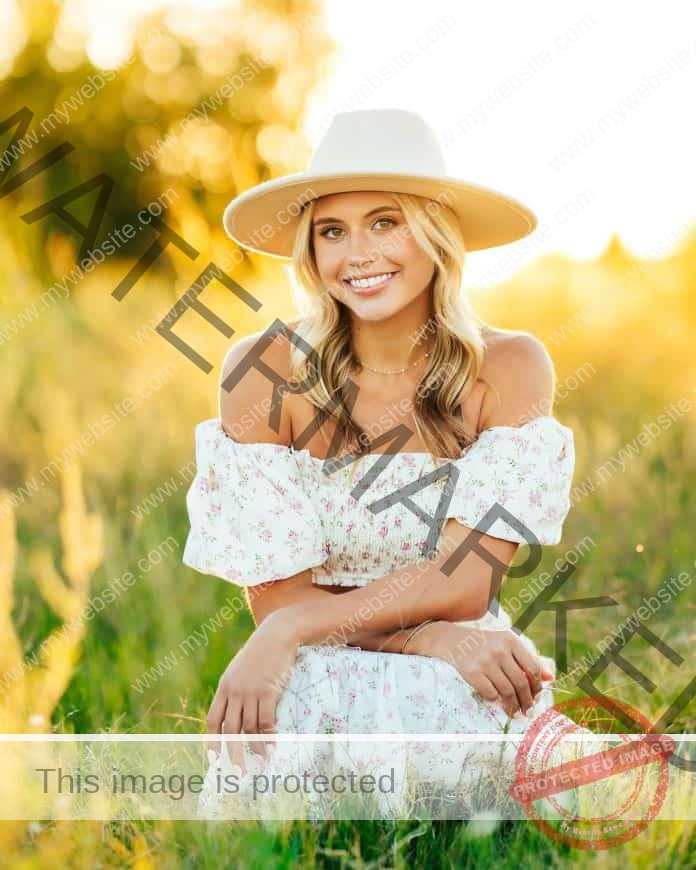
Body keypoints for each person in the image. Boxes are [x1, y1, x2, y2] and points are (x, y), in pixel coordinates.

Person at [182, 108, 576, 820]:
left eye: (385, 222)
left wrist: (295, 628)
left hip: (456, 663)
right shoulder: (262, 370)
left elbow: (464, 584)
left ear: (435, 233)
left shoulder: (509, 366)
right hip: (319, 663)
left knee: (461, 698)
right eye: (332, 231)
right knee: (306, 701)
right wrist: (427, 638)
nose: (357, 254)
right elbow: (276, 598)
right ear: (309, 249)